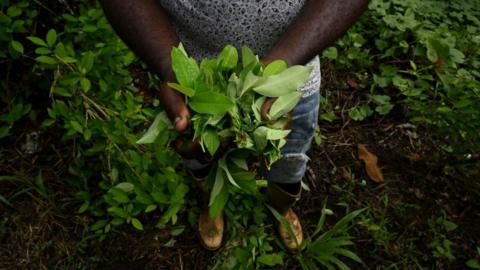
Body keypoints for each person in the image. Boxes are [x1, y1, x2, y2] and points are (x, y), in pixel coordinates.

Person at [100, 0, 369, 251]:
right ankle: (212, 206)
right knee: (201, 154)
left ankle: (282, 208)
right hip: (198, 79)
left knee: (287, 161)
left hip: (289, 79)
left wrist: (282, 63)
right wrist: (170, 65)